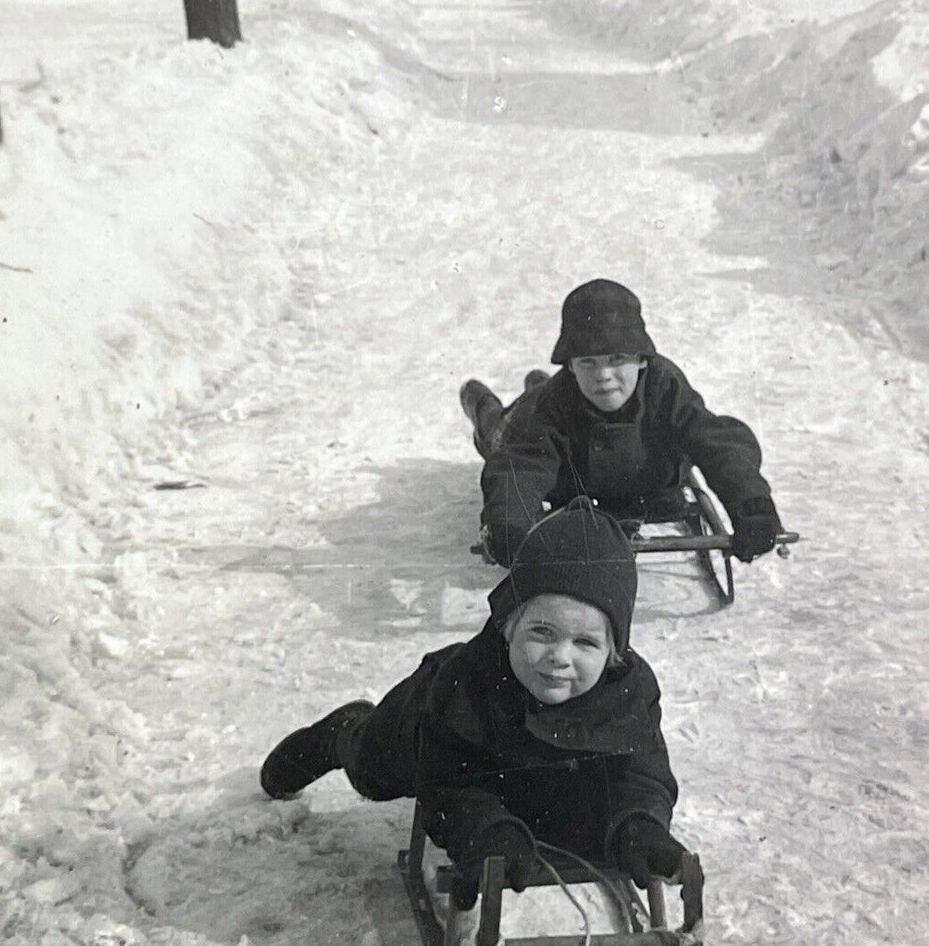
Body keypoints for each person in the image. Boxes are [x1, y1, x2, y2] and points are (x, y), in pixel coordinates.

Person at [258, 499, 688, 905]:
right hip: (417, 729)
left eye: (585, 643)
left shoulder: (629, 692)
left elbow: (642, 773)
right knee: (370, 770)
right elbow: (447, 784)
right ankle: (341, 732)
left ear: (614, 652)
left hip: (532, 769)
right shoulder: (463, 685)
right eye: (541, 632)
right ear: (508, 625)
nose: (560, 657)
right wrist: (486, 831)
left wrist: (640, 824)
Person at [460, 278, 783, 568]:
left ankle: (535, 381)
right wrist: (507, 525)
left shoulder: (663, 384)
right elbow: (521, 466)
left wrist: (752, 505)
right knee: (501, 435)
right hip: (562, 472)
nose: (603, 375)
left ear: (641, 358)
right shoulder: (554, 401)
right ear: (570, 366)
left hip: (649, 489)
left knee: (544, 394)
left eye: (616, 360)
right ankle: (482, 404)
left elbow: (717, 443)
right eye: (587, 362)